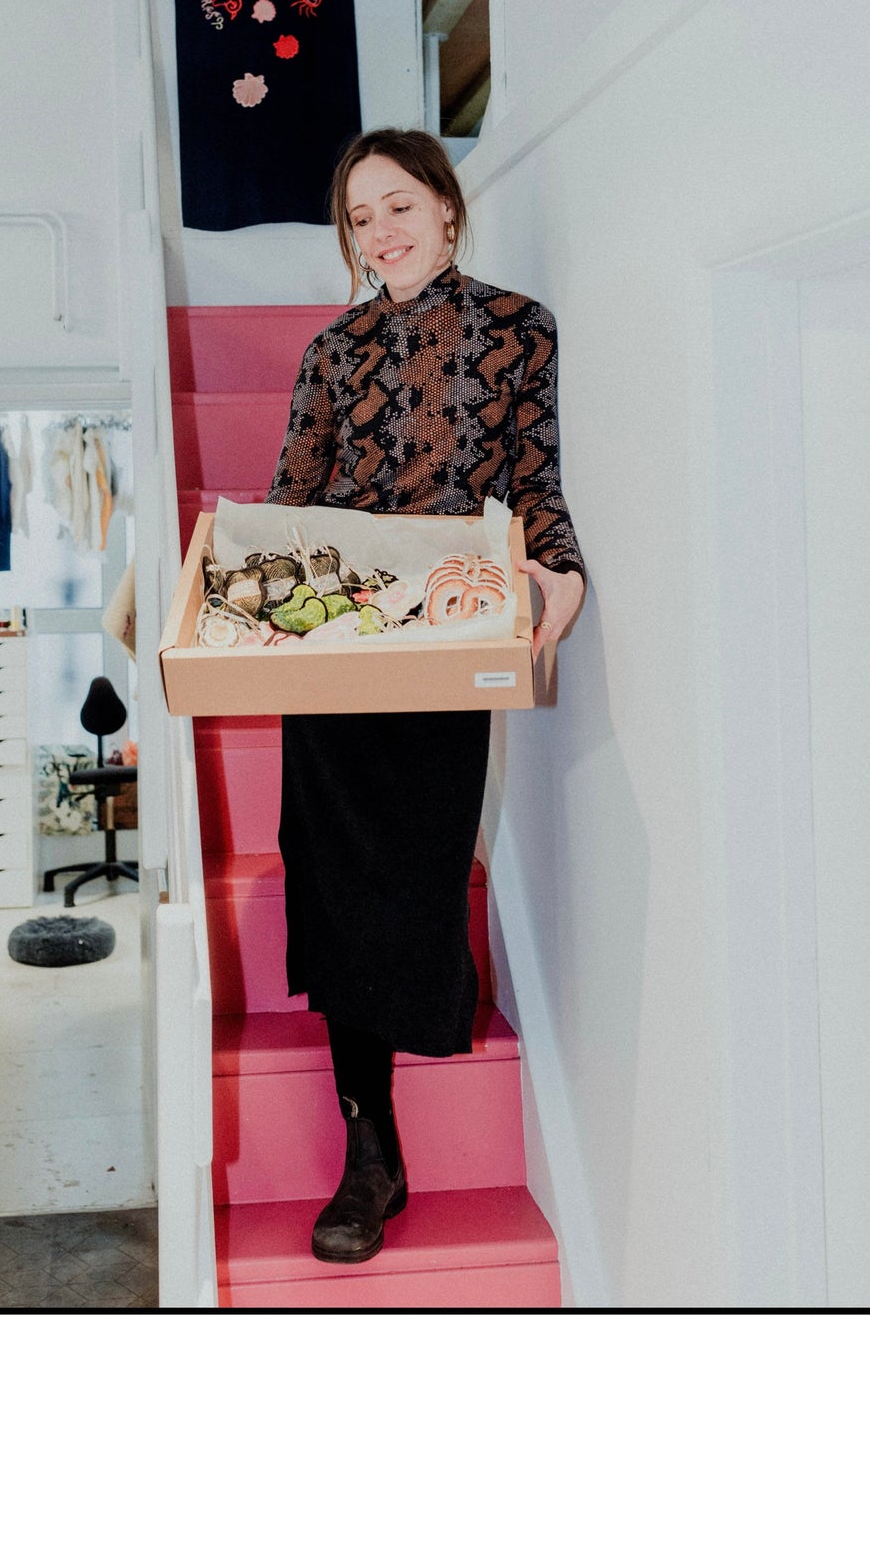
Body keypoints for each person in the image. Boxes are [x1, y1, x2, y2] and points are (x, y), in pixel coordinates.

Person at [267, 126, 587, 1263]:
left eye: (400, 204)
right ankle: (368, 1149)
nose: (383, 231)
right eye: (361, 216)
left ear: (449, 208)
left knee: (411, 882)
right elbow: (286, 510)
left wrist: (560, 570)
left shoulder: (515, 329)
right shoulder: (329, 351)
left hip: (444, 638)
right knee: (336, 882)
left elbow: (534, 479)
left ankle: (387, 1119)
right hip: (335, 646)